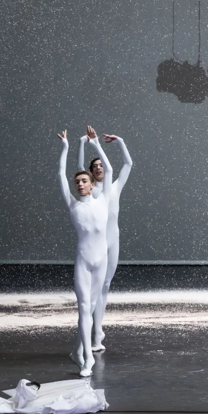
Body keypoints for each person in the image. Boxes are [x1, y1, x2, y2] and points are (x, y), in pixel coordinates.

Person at [56, 129, 110, 377]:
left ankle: (79, 351)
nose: (79, 184)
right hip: (83, 262)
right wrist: (66, 147)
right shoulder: (72, 204)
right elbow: (60, 174)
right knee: (83, 308)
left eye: (83, 181)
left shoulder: (103, 199)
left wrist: (97, 143)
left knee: (92, 307)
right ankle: (87, 358)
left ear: (91, 184)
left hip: (101, 261)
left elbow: (108, 169)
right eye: (77, 181)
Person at [79, 127, 133, 353]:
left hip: (114, 240)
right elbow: (79, 169)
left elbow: (128, 164)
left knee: (105, 286)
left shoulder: (114, 186)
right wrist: (83, 144)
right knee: (96, 288)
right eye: (96, 166)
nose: (99, 168)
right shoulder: (90, 191)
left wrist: (120, 140)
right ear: (91, 173)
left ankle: (98, 330)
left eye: (102, 165)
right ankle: (95, 331)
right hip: (97, 245)